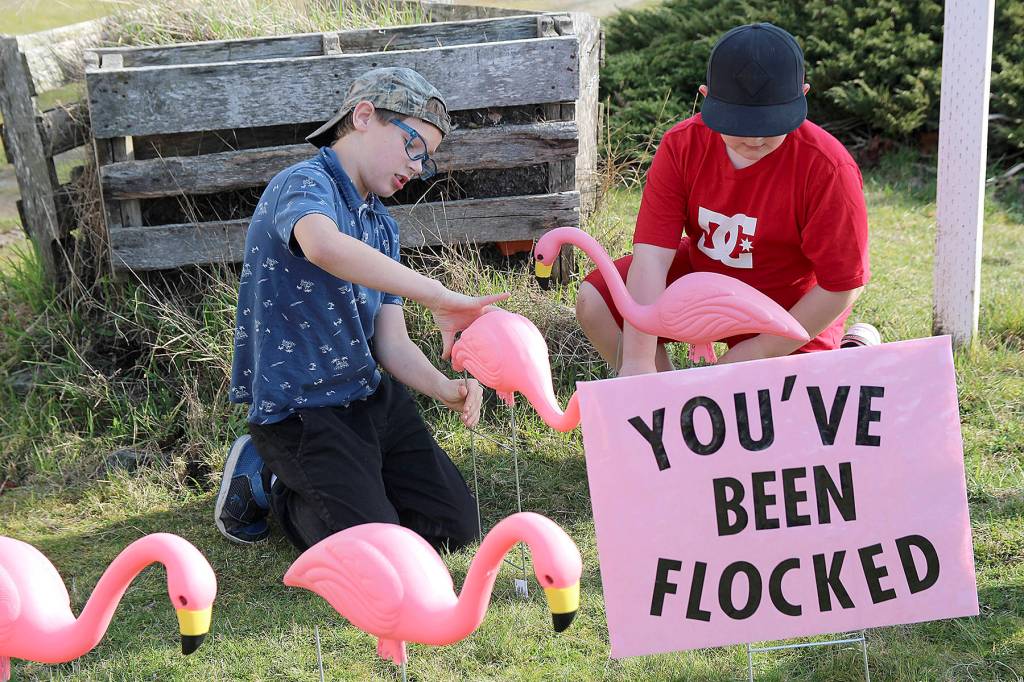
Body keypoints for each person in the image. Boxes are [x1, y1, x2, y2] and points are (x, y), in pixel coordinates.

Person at [214, 67, 508, 552]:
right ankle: (269, 484)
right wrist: (435, 294)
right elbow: (323, 246)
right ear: (365, 116)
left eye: (427, 160)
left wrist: (444, 388)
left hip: (370, 397)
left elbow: (390, 343)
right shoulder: (305, 183)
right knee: (378, 553)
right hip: (302, 413)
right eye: (414, 146)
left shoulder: (383, 227)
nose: (418, 167)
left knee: (457, 529)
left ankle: (356, 486)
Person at [576, 23, 878, 376]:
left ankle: (854, 350)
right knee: (595, 303)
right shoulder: (681, 146)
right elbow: (652, 259)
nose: (755, 138)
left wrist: (761, 349)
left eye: (771, 122)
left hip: (788, 306)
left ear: (803, 96)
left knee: (783, 414)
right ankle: (670, 396)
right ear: (706, 97)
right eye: (737, 122)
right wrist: (638, 361)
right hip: (703, 280)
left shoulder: (828, 167)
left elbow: (841, 286)